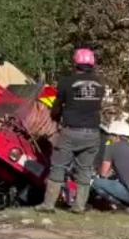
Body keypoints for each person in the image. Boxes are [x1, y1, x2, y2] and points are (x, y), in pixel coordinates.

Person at [37, 47, 106, 214]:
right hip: (93, 133)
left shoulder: (66, 82)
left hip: (71, 132)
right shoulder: (100, 84)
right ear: (92, 64)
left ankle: (48, 205)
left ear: (75, 62)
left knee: (58, 165)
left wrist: (54, 117)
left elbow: (57, 107)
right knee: (85, 169)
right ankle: (79, 206)